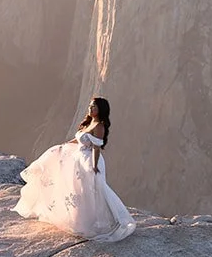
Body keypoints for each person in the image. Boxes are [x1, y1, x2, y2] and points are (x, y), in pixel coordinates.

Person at [14, 96, 137, 242]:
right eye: (90, 106)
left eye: (94, 107)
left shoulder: (99, 126)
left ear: (101, 109)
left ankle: (106, 220)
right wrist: (64, 146)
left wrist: (95, 165)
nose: (90, 109)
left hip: (88, 161)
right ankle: (79, 219)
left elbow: (96, 148)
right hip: (78, 159)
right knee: (77, 189)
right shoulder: (90, 122)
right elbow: (79, 139)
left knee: (93, 190)